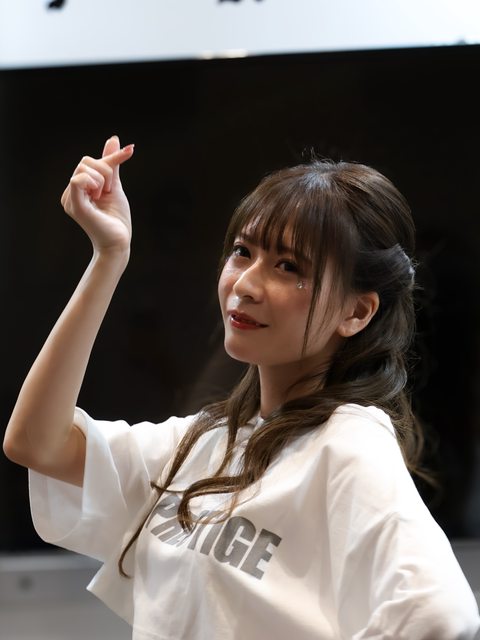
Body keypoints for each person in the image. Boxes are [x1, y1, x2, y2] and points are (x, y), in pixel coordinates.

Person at [3, 135, 480, 640]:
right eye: (242, 252)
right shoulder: (207, 441)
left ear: (356, 311)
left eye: (288, 267)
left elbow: (439, 616)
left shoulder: (348, 444)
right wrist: (109, 256)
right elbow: (35, 443)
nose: (245, 284)